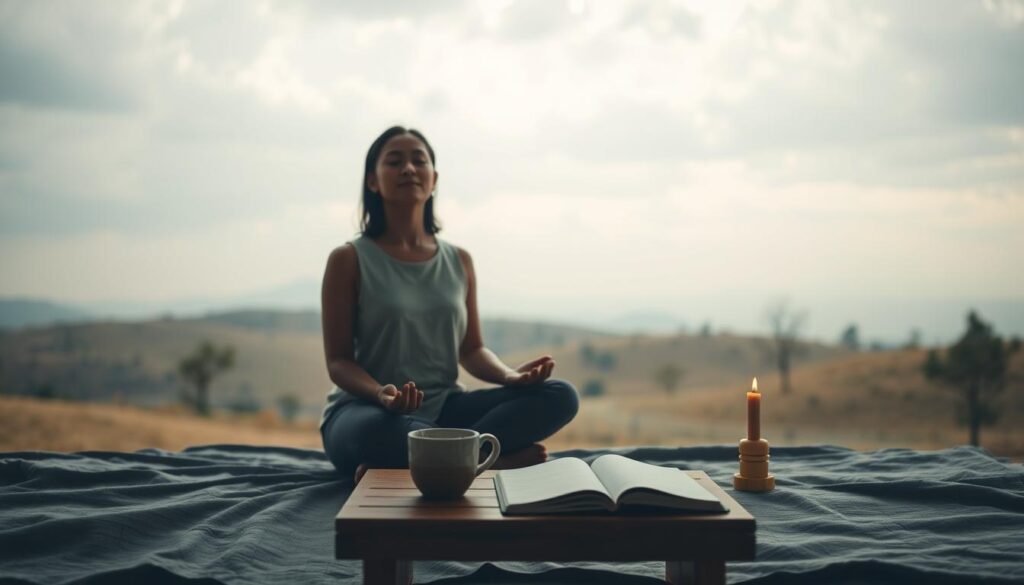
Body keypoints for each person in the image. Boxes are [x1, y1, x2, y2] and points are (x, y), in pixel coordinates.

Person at [319, 125, 579, 483]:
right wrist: (382, 394)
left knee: (560, 395)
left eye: (418, 161)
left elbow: (471, 350)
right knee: (380, 434)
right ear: (373, 182)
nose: (408, 169)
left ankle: (410, 465)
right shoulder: (348, 259)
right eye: (394, 162)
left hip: (446, 409)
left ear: (434, 178)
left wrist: (510, 377)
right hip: (366, 412)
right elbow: (338, 362)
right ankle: (491, 460)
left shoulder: (459, 261)